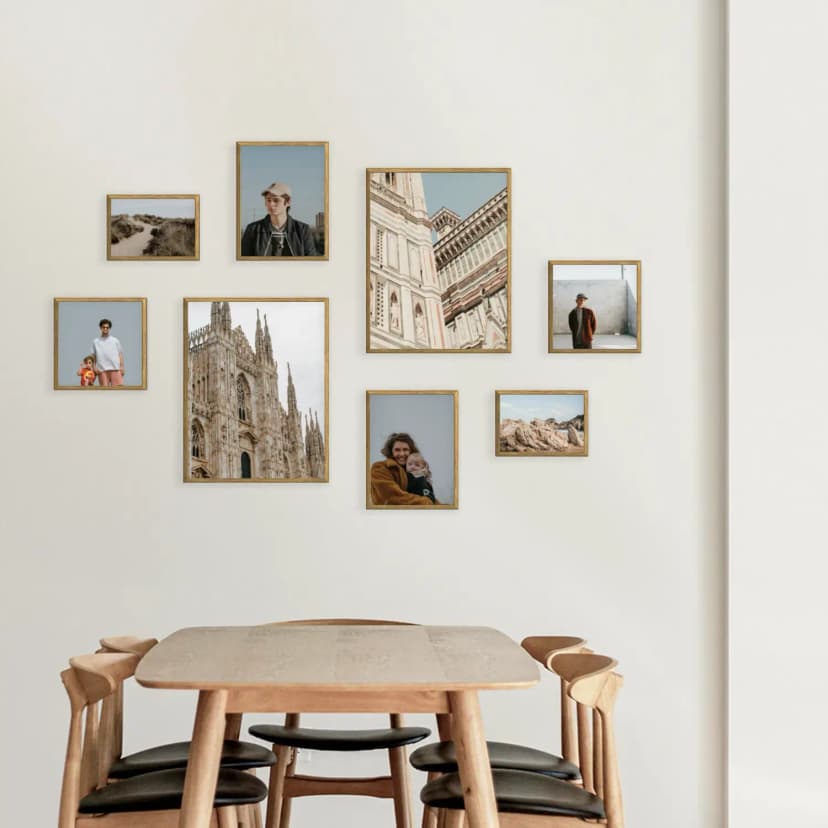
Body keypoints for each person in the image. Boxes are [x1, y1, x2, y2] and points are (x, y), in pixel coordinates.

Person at [241, 182, 318, 257]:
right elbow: (243, 264)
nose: (271, 204)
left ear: (288, 202)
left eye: (276, 200)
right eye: (268, 200)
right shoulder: (252, 230)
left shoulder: (302, 230)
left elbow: (311, 264)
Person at [370, 432, 434, 506]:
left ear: (411, 451)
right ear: (391, 452)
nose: (402, 454)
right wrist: (425, 503)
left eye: (405, 449)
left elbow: (430, 497)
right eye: (397, 450)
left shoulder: (414, 471)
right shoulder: (380, 467)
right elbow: (391, 497)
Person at [92, 319, 124, 386]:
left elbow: (120, 354)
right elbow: (93, 356)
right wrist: (94, 367)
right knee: (104, 393)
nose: (105, 329)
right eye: (104, 327)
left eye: (107, 327)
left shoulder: (115, 340)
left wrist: (122, 367)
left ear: (109, 328)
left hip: (115, 369)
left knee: (118, 391)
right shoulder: (95, 341)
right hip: (102, 370)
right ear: (100, 328)